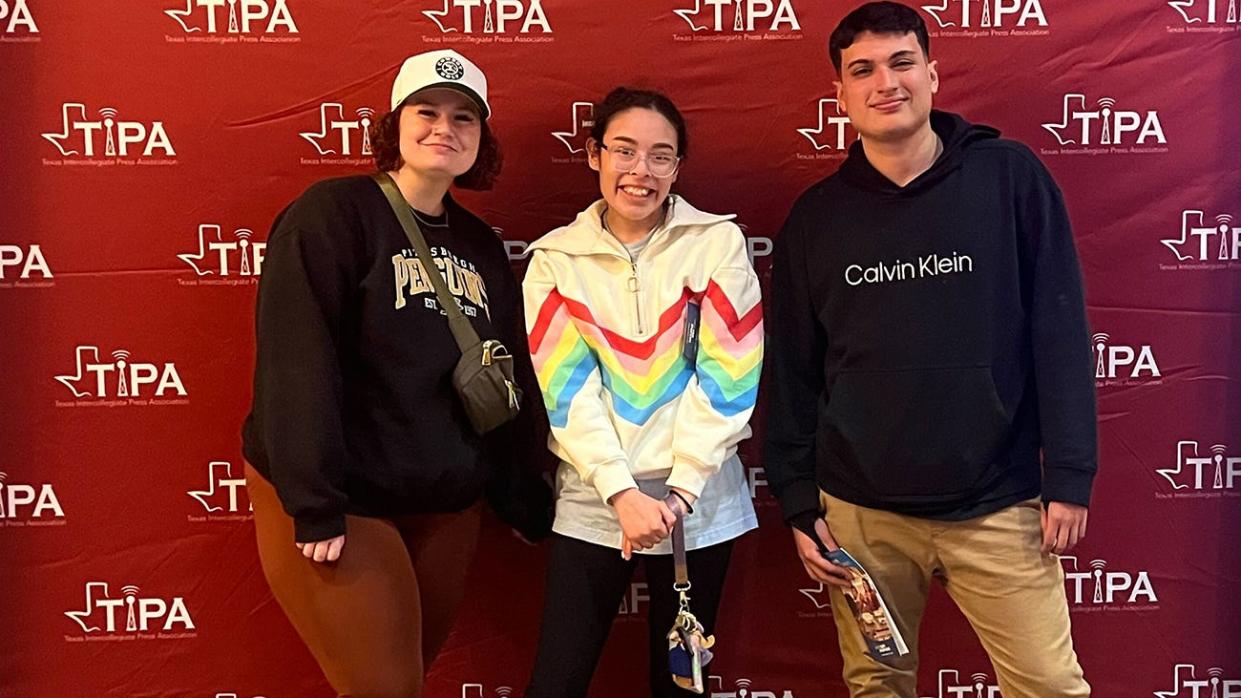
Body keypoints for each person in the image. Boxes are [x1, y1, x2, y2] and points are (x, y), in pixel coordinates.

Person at [764, 3, 1096, 697]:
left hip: (997, 502)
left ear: (932, 74)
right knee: (876, 686)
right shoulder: (815, 219)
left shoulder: (1008, 178)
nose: (884, 82)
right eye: (862, 70)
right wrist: (798, 502)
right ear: (840, 95)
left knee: (1048, 686)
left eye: (900, 62)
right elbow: (792, 372)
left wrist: (1068, 473)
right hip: (862, 517)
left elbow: (1059, 332)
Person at [241, 49, 550, 697]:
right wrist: (316, 502)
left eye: (464, 117)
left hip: (442, 503)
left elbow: (508, 372)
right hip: (346, 495)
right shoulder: (334, 213)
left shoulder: (480, 245)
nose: (445, 127)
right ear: (394, 124)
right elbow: (297, 359)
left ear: (480, 138)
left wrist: (525, 497)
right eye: (426, 111)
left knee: (400, 680)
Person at [522, 87, 763, 696]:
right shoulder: (553, 258)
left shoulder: (717, 244)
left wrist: (680, 491)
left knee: (683, 684)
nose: (641, 171)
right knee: (558, 679)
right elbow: (566, 390)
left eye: (661, 156)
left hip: (700, 502)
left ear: (678, 168)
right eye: (624, 151)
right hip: (595, 502)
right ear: (594, 155)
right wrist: (621, 492)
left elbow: (730, 377)